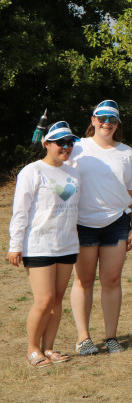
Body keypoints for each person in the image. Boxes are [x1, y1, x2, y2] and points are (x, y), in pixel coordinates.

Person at [69, 100, 132, 355]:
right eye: (102, 118)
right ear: (93, 120)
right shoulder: (77, 147)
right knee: (84, 279)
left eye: (112, 119)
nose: (106, 123)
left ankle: (111, 337)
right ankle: (83, 338)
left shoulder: (127, 153)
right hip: (83, 224)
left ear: (117, 123)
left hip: (117, 223)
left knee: (111, 280)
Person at [8, 121, 81, 368]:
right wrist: (15, 244)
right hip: (39, 244)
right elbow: (21, 211)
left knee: (58, 298)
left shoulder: (73, 172)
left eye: (70, 142)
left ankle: (48, 347)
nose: (66, 147)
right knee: (44, 299)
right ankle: (32, 349)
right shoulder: (32, 171)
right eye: (60, 142)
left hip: (67, 245)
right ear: (46, 143)